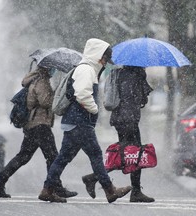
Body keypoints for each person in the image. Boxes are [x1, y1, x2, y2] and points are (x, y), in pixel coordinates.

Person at [38, 38, 132, 203]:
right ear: (97, 56)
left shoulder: (87, 70)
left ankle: (48, 189)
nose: (105, 63)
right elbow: (82, 94)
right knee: (95, 154)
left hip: (74, 122)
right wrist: (94, 109)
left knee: (63, 158)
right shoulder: (86, 70)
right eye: (104, 59)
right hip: (80, 122)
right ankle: (110, 190)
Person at [0, 66, 77, 198]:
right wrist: (56, 95)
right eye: (52, 69)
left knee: (24, 156)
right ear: (47, 69)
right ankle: (54, 188)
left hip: (32, 125)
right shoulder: (42, 81)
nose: (54, 71)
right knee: (52, 156)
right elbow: (45, 102)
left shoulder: (35, 79)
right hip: (39, 125)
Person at [82, 66, 155, 203]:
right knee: (135, 154)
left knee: (125, 154)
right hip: (129, 120)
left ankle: (95, 177)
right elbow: (138, 99)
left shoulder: (119, 73)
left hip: (119, 118)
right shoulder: (136, 74)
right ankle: (135, 191)